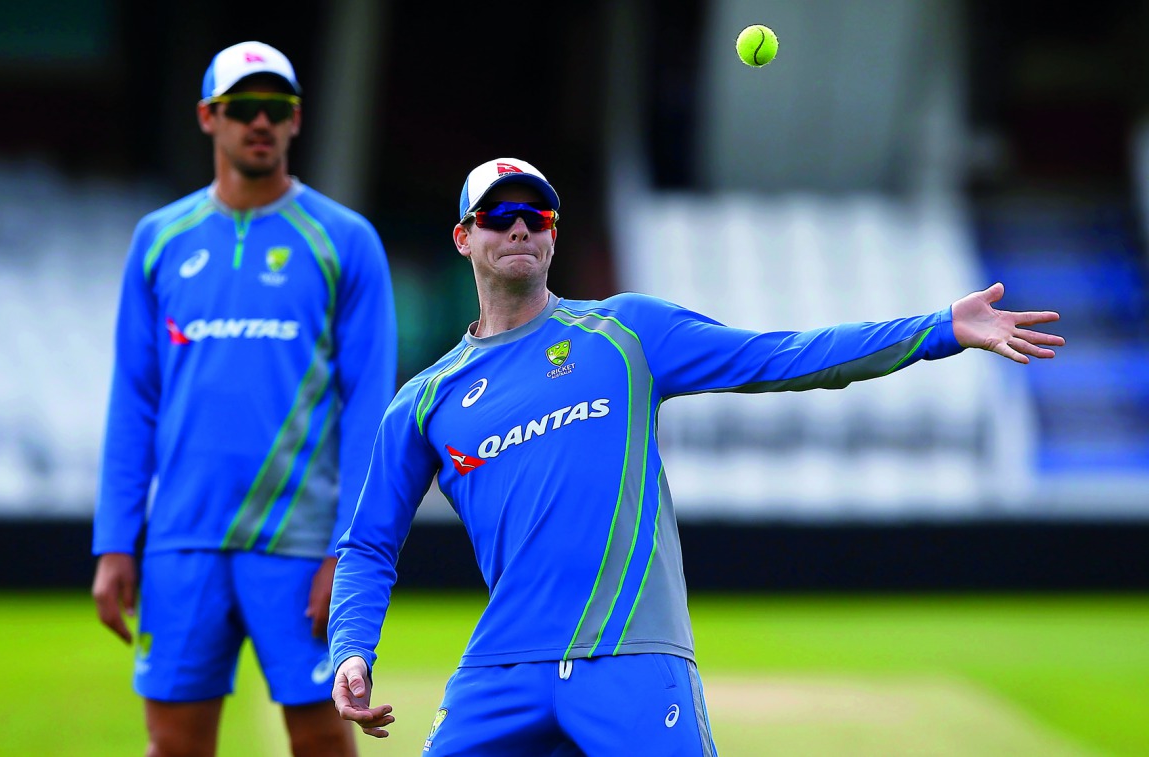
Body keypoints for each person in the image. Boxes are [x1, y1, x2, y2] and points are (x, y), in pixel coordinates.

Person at [326, 157, 1064, 754]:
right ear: (464, 237)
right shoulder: (425, 399)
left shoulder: (627, 334)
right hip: (502, 668)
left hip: (633, 658)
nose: (519, 224)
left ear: (552, 235)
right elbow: (369, 542)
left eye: (536, 214)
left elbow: (784, 356)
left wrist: (940, 328)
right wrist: (353, 648)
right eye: (498, 214)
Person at [91, 41, 396, 757]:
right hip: (182, 539)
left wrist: (347, 554)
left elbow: (369, 411)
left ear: (296, 120)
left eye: (276, 107)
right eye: (243, 107)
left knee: (322, 740)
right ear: (208, 117)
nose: (260, 121)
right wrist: (115, 541)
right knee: (174, 744)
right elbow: (133, 399)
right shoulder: (159, 239)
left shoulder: (345, 241)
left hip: (300, 543)